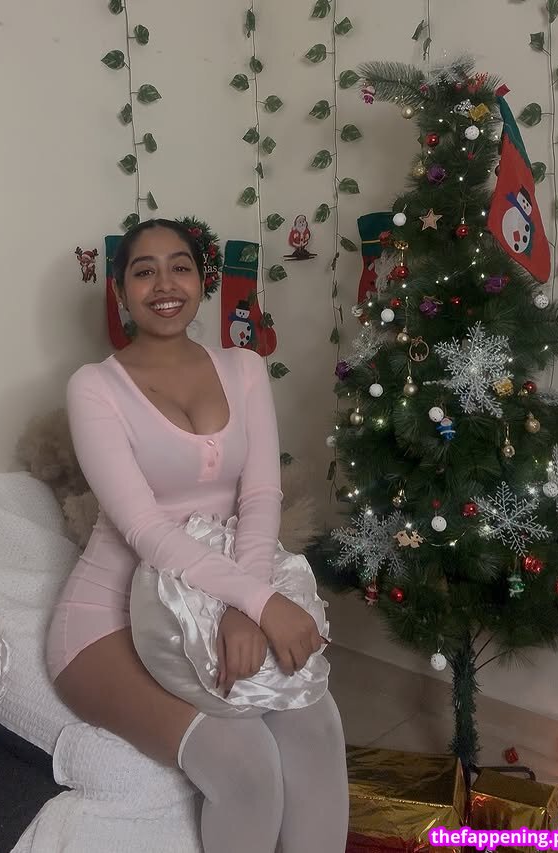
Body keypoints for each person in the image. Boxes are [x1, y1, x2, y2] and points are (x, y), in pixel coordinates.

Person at [45, 219, 349, 853]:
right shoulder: (94, 387)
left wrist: (244, 607)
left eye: (179, 267)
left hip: (219, 597)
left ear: (201, 281)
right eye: (144, 271)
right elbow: (145, 528)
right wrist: (262, 603)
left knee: (318, 727)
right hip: (107, 623)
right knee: (247, 768)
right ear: (120, 290)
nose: (165, 284)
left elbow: (260, 496)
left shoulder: (244, 368)